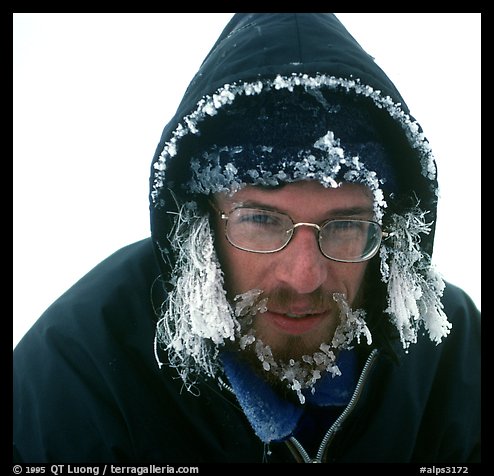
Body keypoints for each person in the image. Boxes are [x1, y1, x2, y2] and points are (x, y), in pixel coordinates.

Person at [13, 13, 480, 464]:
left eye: (344, 226)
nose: (303, 277)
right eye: (262, 220)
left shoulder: (450, 359)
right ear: (201, 226)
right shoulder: (79, 378)